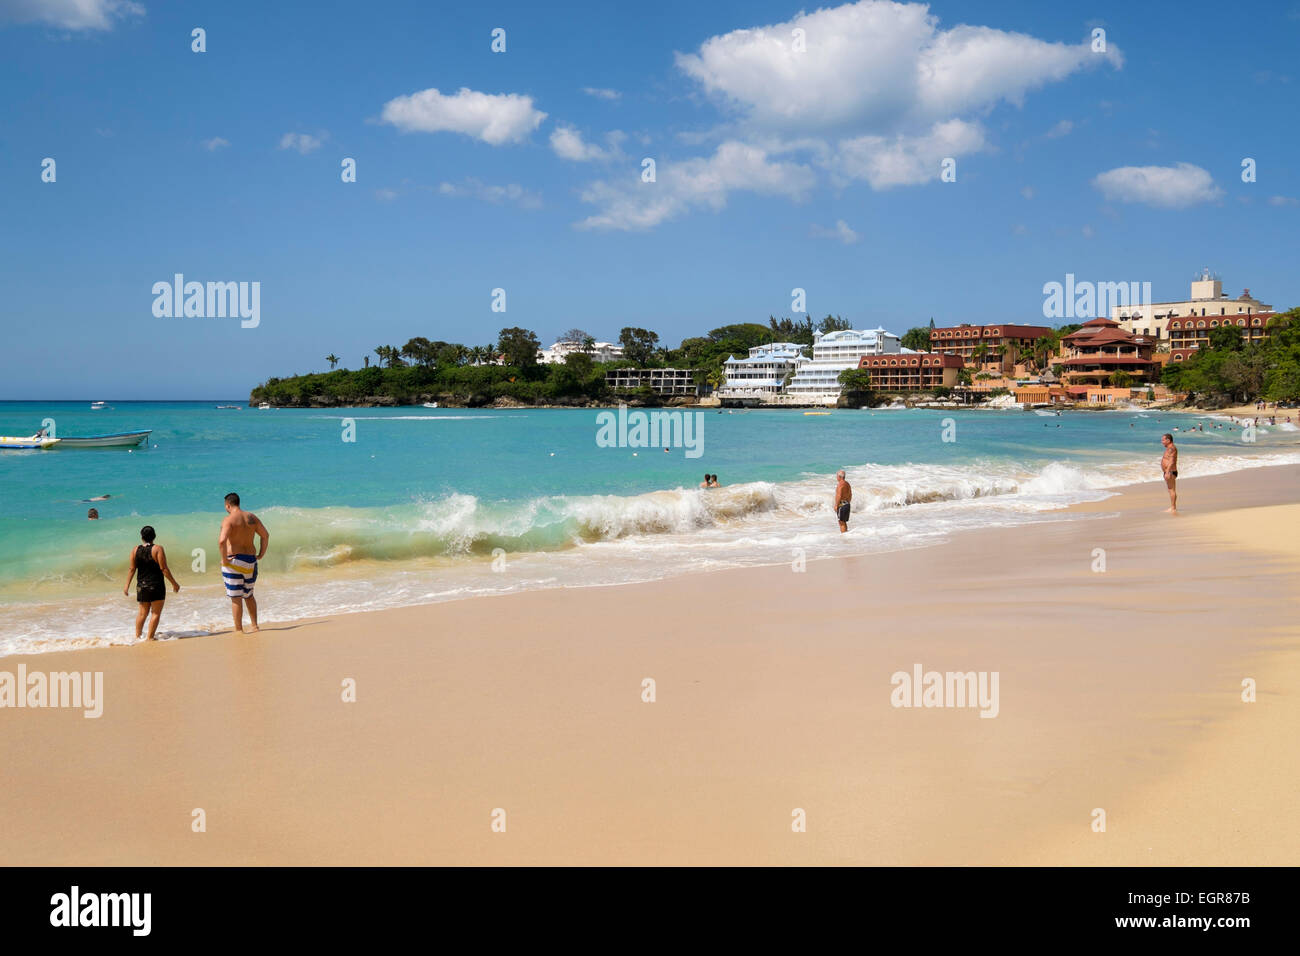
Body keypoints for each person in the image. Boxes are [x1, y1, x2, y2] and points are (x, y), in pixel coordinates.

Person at [219, 491, 270, 633]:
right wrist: (260, 554)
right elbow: (265, 536)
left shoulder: (228, 520)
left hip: (234, 561)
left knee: (236, 598)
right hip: (250, 561)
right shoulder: (251, 517)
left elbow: (222, 541)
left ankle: (239, 630)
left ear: (228, 505)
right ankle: (254, 626)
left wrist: (224, 559)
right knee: (249, 595)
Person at [123, 525, 180, 641]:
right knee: (155, 613)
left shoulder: (135, 550)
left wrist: (126, 585)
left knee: (142, 614)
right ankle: (149, 637)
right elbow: (164, 569)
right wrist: (174, 583)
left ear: (142, 537)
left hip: (141, 586)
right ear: (154, 536)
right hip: (156, 586)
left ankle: (138, 637)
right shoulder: (157, 549)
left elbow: (132, 569)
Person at [1160, 433, 1178, 514]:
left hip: (1170, 472)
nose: (1162, 442)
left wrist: (1167, 472)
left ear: (1168, 440)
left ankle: (1173, 508)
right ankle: (1173, 507)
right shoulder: (1169, 448)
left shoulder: (1171, 448)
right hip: (1168, 471)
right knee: (1170, 490)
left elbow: (1171, 461)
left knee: (1171, 490)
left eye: (1163, 440)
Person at [833, 469, 852, 533]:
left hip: (842, 505)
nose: (836, 477)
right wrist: (847, 502)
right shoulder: (847, 484)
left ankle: (844, 537)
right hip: (847, 504)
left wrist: (836, 505)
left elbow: (839, 495)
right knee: (844, 522)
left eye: (837, 476)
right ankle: (846, 535)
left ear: (839, 477)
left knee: (841, 523)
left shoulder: (840, 484)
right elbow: (850, 494)